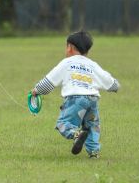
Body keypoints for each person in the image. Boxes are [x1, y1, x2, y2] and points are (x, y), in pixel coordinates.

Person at [30, 30, 120, 158]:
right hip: (92, 98)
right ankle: (94, 152)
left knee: (63, 123)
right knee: (92, 126)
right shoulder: (92, 65)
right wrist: (115, 85)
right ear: (87, 51)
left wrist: (37, 90)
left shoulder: (67, 63)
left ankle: (75, 134)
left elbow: (50, 80)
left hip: (75, 98)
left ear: (70, 47)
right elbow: (108, 81)